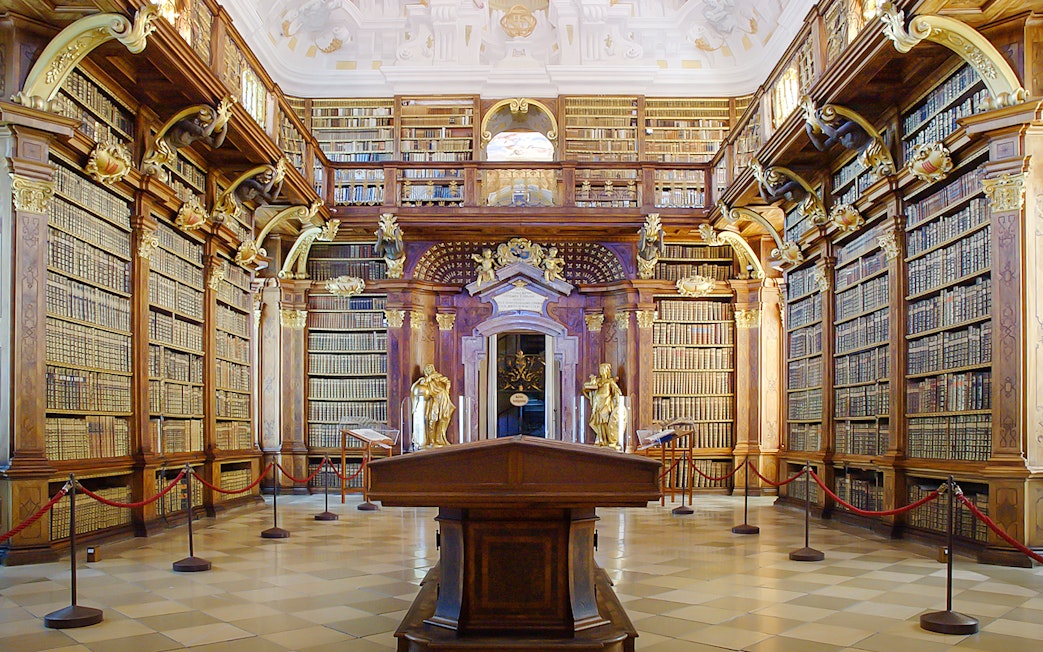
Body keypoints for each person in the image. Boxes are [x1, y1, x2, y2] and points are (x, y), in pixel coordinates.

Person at [582, 362, 625, 450]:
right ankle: (601, 439)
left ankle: (608, 439)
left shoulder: (610, 382)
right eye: (600, 369)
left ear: (607, 371)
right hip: (597, 404)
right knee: (598, 422)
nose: (601, 371)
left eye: (603, 369)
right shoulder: (598, 381)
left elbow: (616, 392)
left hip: (605, 404)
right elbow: (587, 388)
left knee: (604, 421)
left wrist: (618, 403)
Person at [411, 364, 454, 448]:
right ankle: (432, 441)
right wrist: (424, 380)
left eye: (431, 368)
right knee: (432, 420)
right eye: (428, 369)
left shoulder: (438, 377)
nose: (430, 370)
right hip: (435, 401)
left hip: (443, 399)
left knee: (443, 418)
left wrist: (446, 389)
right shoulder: (426, 380)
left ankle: (439, 439)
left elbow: (447, 382)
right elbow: (416, 388)